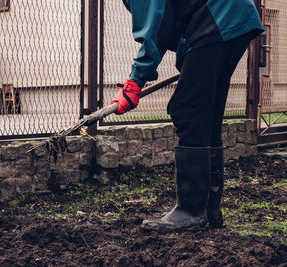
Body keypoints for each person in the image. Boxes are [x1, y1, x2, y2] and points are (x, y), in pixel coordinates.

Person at [111, 0, 264, 231]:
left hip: (217, 17)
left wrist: (136, 80)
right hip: (233, 16)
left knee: (188, 109)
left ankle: (191, 211)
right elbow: (164, 26)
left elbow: (152, 27)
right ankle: (209, 209)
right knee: (207, 115)